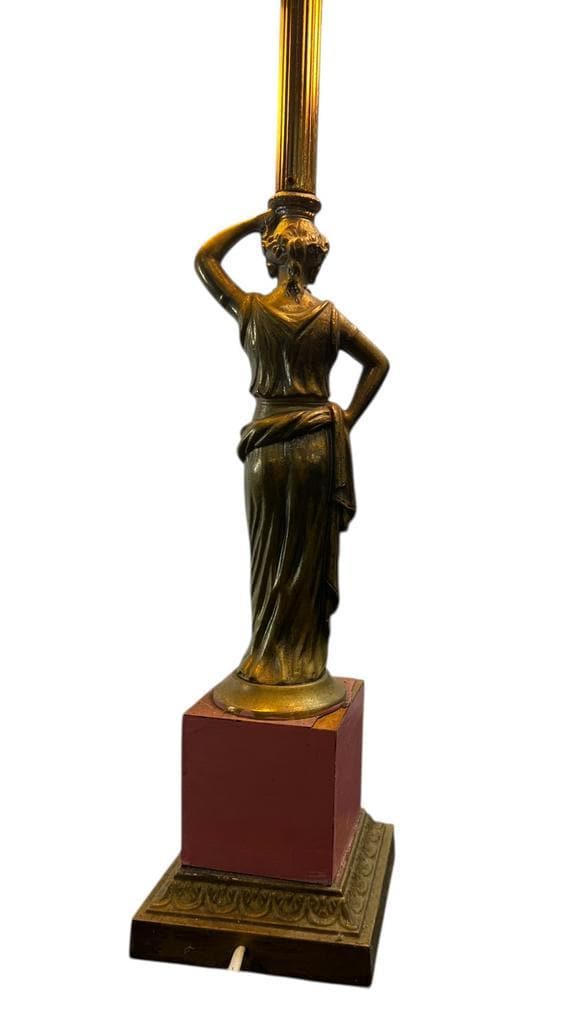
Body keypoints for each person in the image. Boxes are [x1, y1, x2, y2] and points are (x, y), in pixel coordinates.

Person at [195, 211, 389, 716]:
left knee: (268, 554)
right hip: (318, 446)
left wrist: (256, 222)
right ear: (312, 258)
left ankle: (266, 658)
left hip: (266, 445)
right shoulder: (330, 318)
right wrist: (344, 418)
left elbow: (206, 260)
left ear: (273, 256)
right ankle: (301, 663)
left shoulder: (251, 309)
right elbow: (378, 363)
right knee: (303, 556)